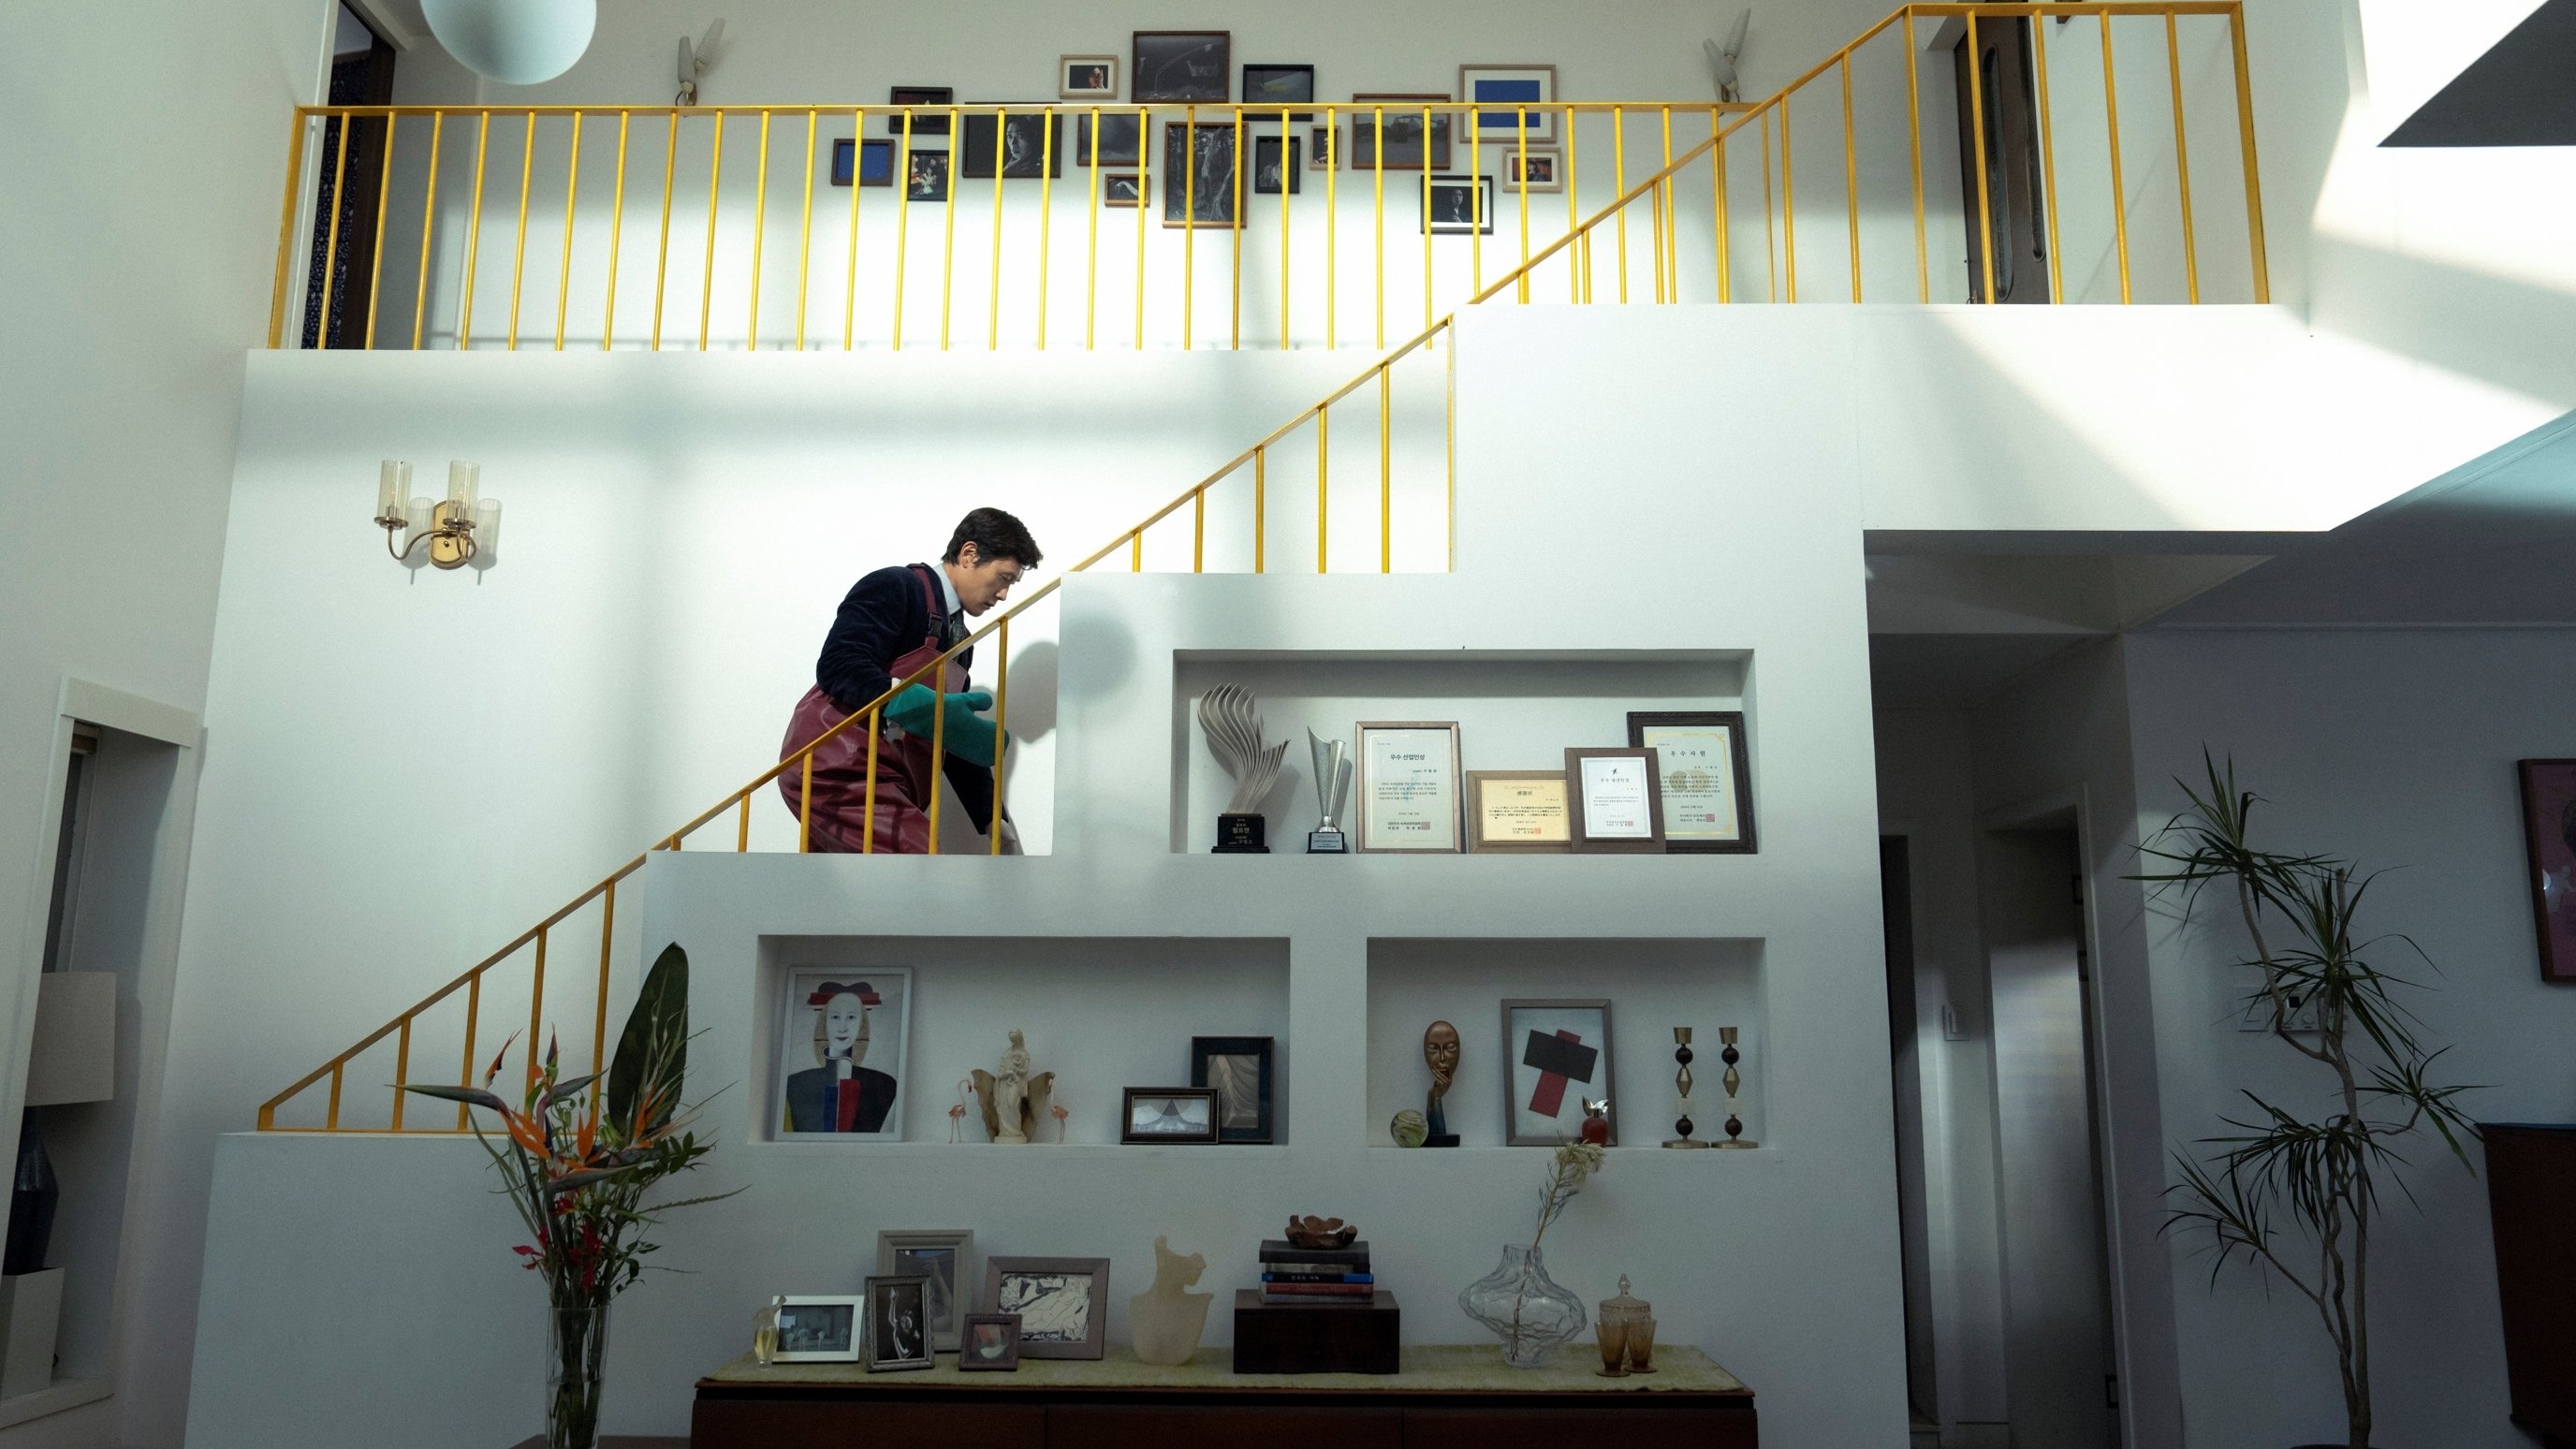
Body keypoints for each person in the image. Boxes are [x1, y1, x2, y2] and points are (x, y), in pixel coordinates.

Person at [778, 507, 1041, 853]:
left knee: (848, 887)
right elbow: (839, 665)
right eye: (1004, 578)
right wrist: (925, 707)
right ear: (969, 554)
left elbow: (949, 734)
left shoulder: (961, 642)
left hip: (887, 777)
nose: (1004, 594)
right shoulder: (896, 586)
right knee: (923, 871)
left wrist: (991, 817)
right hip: (840, 768)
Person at [783, 981, 899, 1133]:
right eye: (835, 1017)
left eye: (851, 1017)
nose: (842, 1027)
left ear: (861, 1024)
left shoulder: (884, 1083)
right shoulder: (796, 1083)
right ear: (824, 1022)